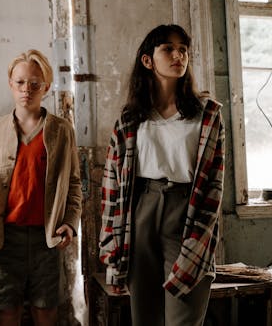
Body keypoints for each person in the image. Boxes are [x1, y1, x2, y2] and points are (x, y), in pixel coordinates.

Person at [99, 24, 225, 326]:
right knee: (145, 316)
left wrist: (200, 237)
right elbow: (111, 187)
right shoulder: (130, 119)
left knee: (183, 316)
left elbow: (214, 184)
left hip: (186, 212)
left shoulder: (206, 115)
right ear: (148, 60)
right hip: (139, 210)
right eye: (168, 48)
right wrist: (111, 255)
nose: (178, 55)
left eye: (183, 49)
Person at [0, 49, 82, 326]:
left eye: (35, 83)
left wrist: (71, 224)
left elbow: (74, 184)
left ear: (46, 87)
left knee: (45, 311)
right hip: (4, 239)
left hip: (45, 239)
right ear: (10, 84)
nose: (27, 89)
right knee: (8, 312)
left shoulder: (62, 131)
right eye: (21, 82)